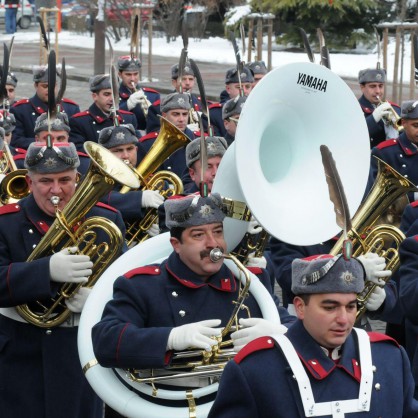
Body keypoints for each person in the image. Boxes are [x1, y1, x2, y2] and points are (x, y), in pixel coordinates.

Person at [92, 193, 294, 409]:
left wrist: (280, 335)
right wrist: (169, 339)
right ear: (176, 244)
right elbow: (106, 341)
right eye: (198, 235)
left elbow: (299, 329)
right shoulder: (142, 285)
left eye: (218, 231)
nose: (213, 243)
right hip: (166, 407)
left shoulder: (250, 282)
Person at [0, 140, 126, 418]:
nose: (56, 190)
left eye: (64, 180)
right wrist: (45, 271)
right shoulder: (5, 221)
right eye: (45, 181)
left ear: (78, 179)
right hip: (20, 353)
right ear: (30, 182)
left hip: (76, 349)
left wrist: (98, 299)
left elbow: (127, 286)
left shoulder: (107, 218)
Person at [208, 253, 418, 418]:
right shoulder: (254, 369)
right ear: (300, 307)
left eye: (351, 306)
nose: (344, 319)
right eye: (330, 307)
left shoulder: (390, 357)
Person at [97, 123, 164, 238]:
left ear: (136, 149)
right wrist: (139, 199)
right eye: (118, 150)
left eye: (130, 149)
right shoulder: (97, 179)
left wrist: (163, 224)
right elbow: (99, 199)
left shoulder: (152, 181)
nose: (125, 155)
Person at [10, 65, 80, 150]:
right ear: (36, 85)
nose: (50, 90)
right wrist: (44, 144)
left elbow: (77, 139)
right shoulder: (20, 109)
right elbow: (15, 140)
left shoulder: (71, 108)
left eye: (53, 86)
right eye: (45, 86)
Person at [365, 99, 418, 203]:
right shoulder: (384, 152)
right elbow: (372, 198)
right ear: (403, 123)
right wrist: (413, 197)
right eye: (416, 126)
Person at [69, 74, 139, 152]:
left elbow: (137, 147)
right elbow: (81, 155)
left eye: (115, 94)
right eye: (107, 94)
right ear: (95, 96)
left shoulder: (129, 118)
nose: (112, 99)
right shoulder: (79, 122)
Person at [139, 92, 198, 178]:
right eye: (176, 114)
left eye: (185, 114)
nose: (181, 119)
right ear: (164, 115)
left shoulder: (198, 142)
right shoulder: (146, 144)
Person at [146, 62, 202, 134]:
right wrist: (186, 131)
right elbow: (153, 135)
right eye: (183, 79)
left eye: (191, 79)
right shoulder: (158, 107)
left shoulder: (202, 105)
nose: (188, 83)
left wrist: (201, 126)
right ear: (174, 82)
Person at [204, 66, 253, 137]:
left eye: (247, 87)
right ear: (228, 89)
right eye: (239, 87)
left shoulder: (257, 110)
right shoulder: (213, 114)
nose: (244, 91)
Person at [358, 67, 401, 148]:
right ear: (362, 87)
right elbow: (354, 136)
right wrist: (373, 119)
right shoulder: (355, 109)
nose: (378, 91)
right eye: (372, 86)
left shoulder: (395, 109)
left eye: (380, 86)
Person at [117, 55, 160, 131]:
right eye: (128, 74)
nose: (132, 79)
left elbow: (159, 125)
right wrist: (126, 106)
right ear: (120, 75)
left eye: (135, 74)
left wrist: (152, 111)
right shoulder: (113, 96)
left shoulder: (153, 96)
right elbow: (109, 120)